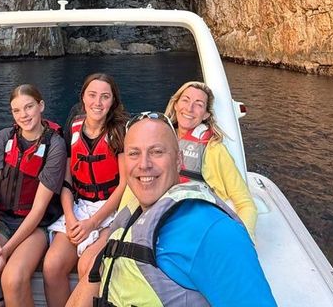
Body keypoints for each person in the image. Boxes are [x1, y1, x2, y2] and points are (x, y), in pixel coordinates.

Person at [69, 112, 276, 307]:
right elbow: (95, 279)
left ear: (179, 161)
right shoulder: (131, 213)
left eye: (156, 152)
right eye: (134, 153)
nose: (144, 164)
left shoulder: (212, 231)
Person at [0, 84, 67, 307]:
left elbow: (39, 209)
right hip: (0, 221)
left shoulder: (55, 145)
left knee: (13, 279)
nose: (23, 115)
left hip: (35, 227)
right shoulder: (4, 138)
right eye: (16, 110)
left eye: (29, 107)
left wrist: (5, 251)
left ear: (41, 106)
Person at [43, 74, 128, 307]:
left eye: (105, 97)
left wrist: (93, 223)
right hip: (79, 206)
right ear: (83, 97)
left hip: (111, 211)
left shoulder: (120, 132)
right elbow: (67, 182)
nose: (97, 102)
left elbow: (124, 185)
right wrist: (70, 217)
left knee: (87, 266)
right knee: (51, 266)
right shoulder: (73, 128)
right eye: (92, 95)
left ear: (113, 101)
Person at [166, 81, 258, 238]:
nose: (189, 108)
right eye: (185, 100)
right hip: (163, 220)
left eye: (199, 104)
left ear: (206, 115)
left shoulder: (214, 150)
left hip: (197, 228)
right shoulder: (160, 140)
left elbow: (246, 204)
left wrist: (241, 240)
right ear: (175, 104)